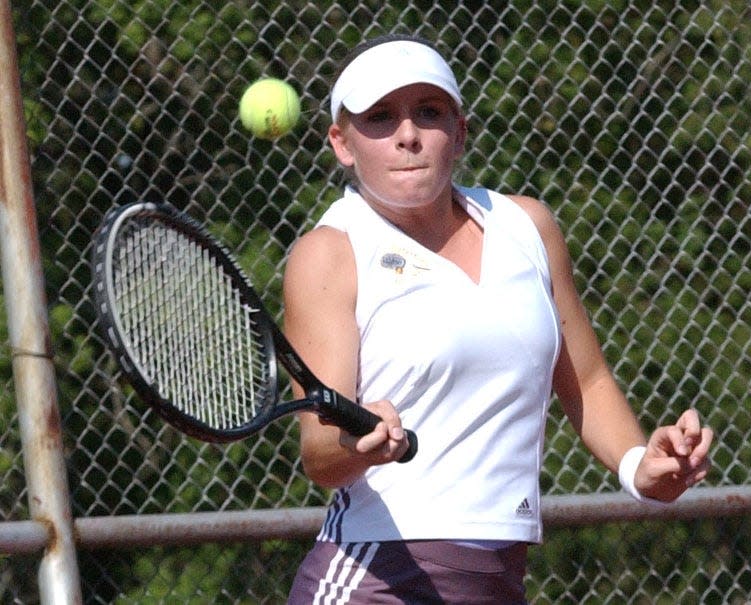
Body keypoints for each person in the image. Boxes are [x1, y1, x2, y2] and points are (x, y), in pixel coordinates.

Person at [284, 34, 713, 604]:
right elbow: (319, 453)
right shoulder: (330, 252)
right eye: (380, 118)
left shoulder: (526, 226)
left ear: (459, 132)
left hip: (499, 578)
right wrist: (361, 442)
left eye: (429, 113)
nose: (407, 135)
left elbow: (585, 378)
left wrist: (640, 467)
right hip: (377, 576)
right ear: (343, 143)